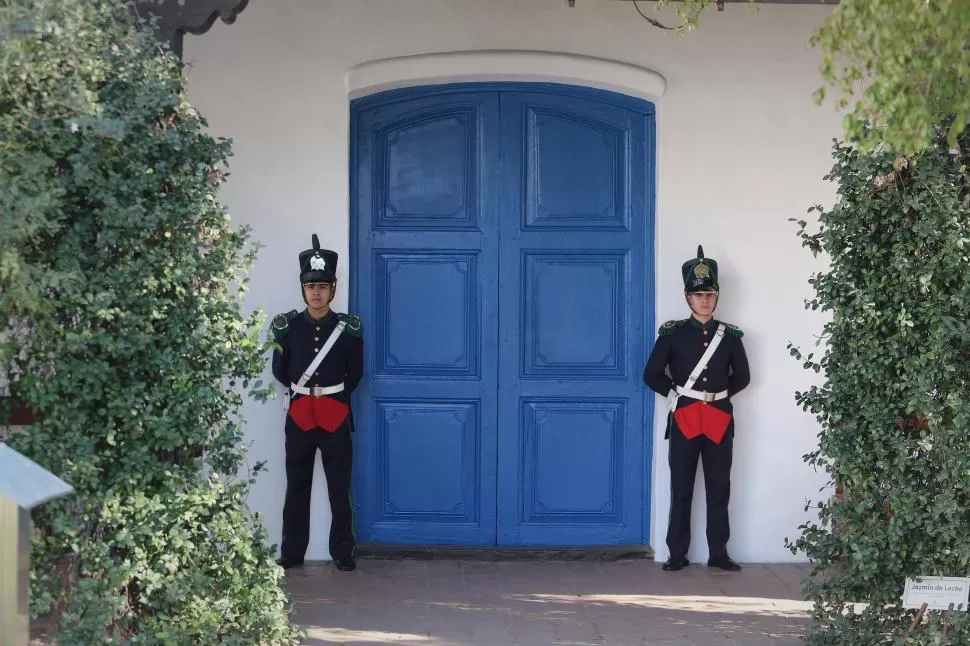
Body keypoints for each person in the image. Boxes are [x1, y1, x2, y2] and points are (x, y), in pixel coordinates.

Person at [643, 245, 750, 572]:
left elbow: (743, 377)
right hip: (686, 416)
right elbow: (651, 374)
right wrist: (677, 395)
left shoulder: (730, 336)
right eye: (698, 294)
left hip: (718, 417)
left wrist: (717, 396)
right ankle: (677, 553)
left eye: (709, 294)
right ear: (688, 297)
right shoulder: (672, 334)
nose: (704, 300)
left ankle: (718, 553)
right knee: (681, 488)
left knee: (720, 488)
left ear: (716, 297)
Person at [270, 234, 363, 571]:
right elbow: (280, 370)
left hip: (334, 413)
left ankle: (343, 551)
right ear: (303, 288)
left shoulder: (347, 328)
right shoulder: (288, 327)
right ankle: (292, 552)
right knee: (296, 485)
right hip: (300, 414)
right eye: (311, 286)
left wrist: (333, 396)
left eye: (323, 286)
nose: (316, 292)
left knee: (340, 486)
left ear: (333, 289)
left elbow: (356, 373)